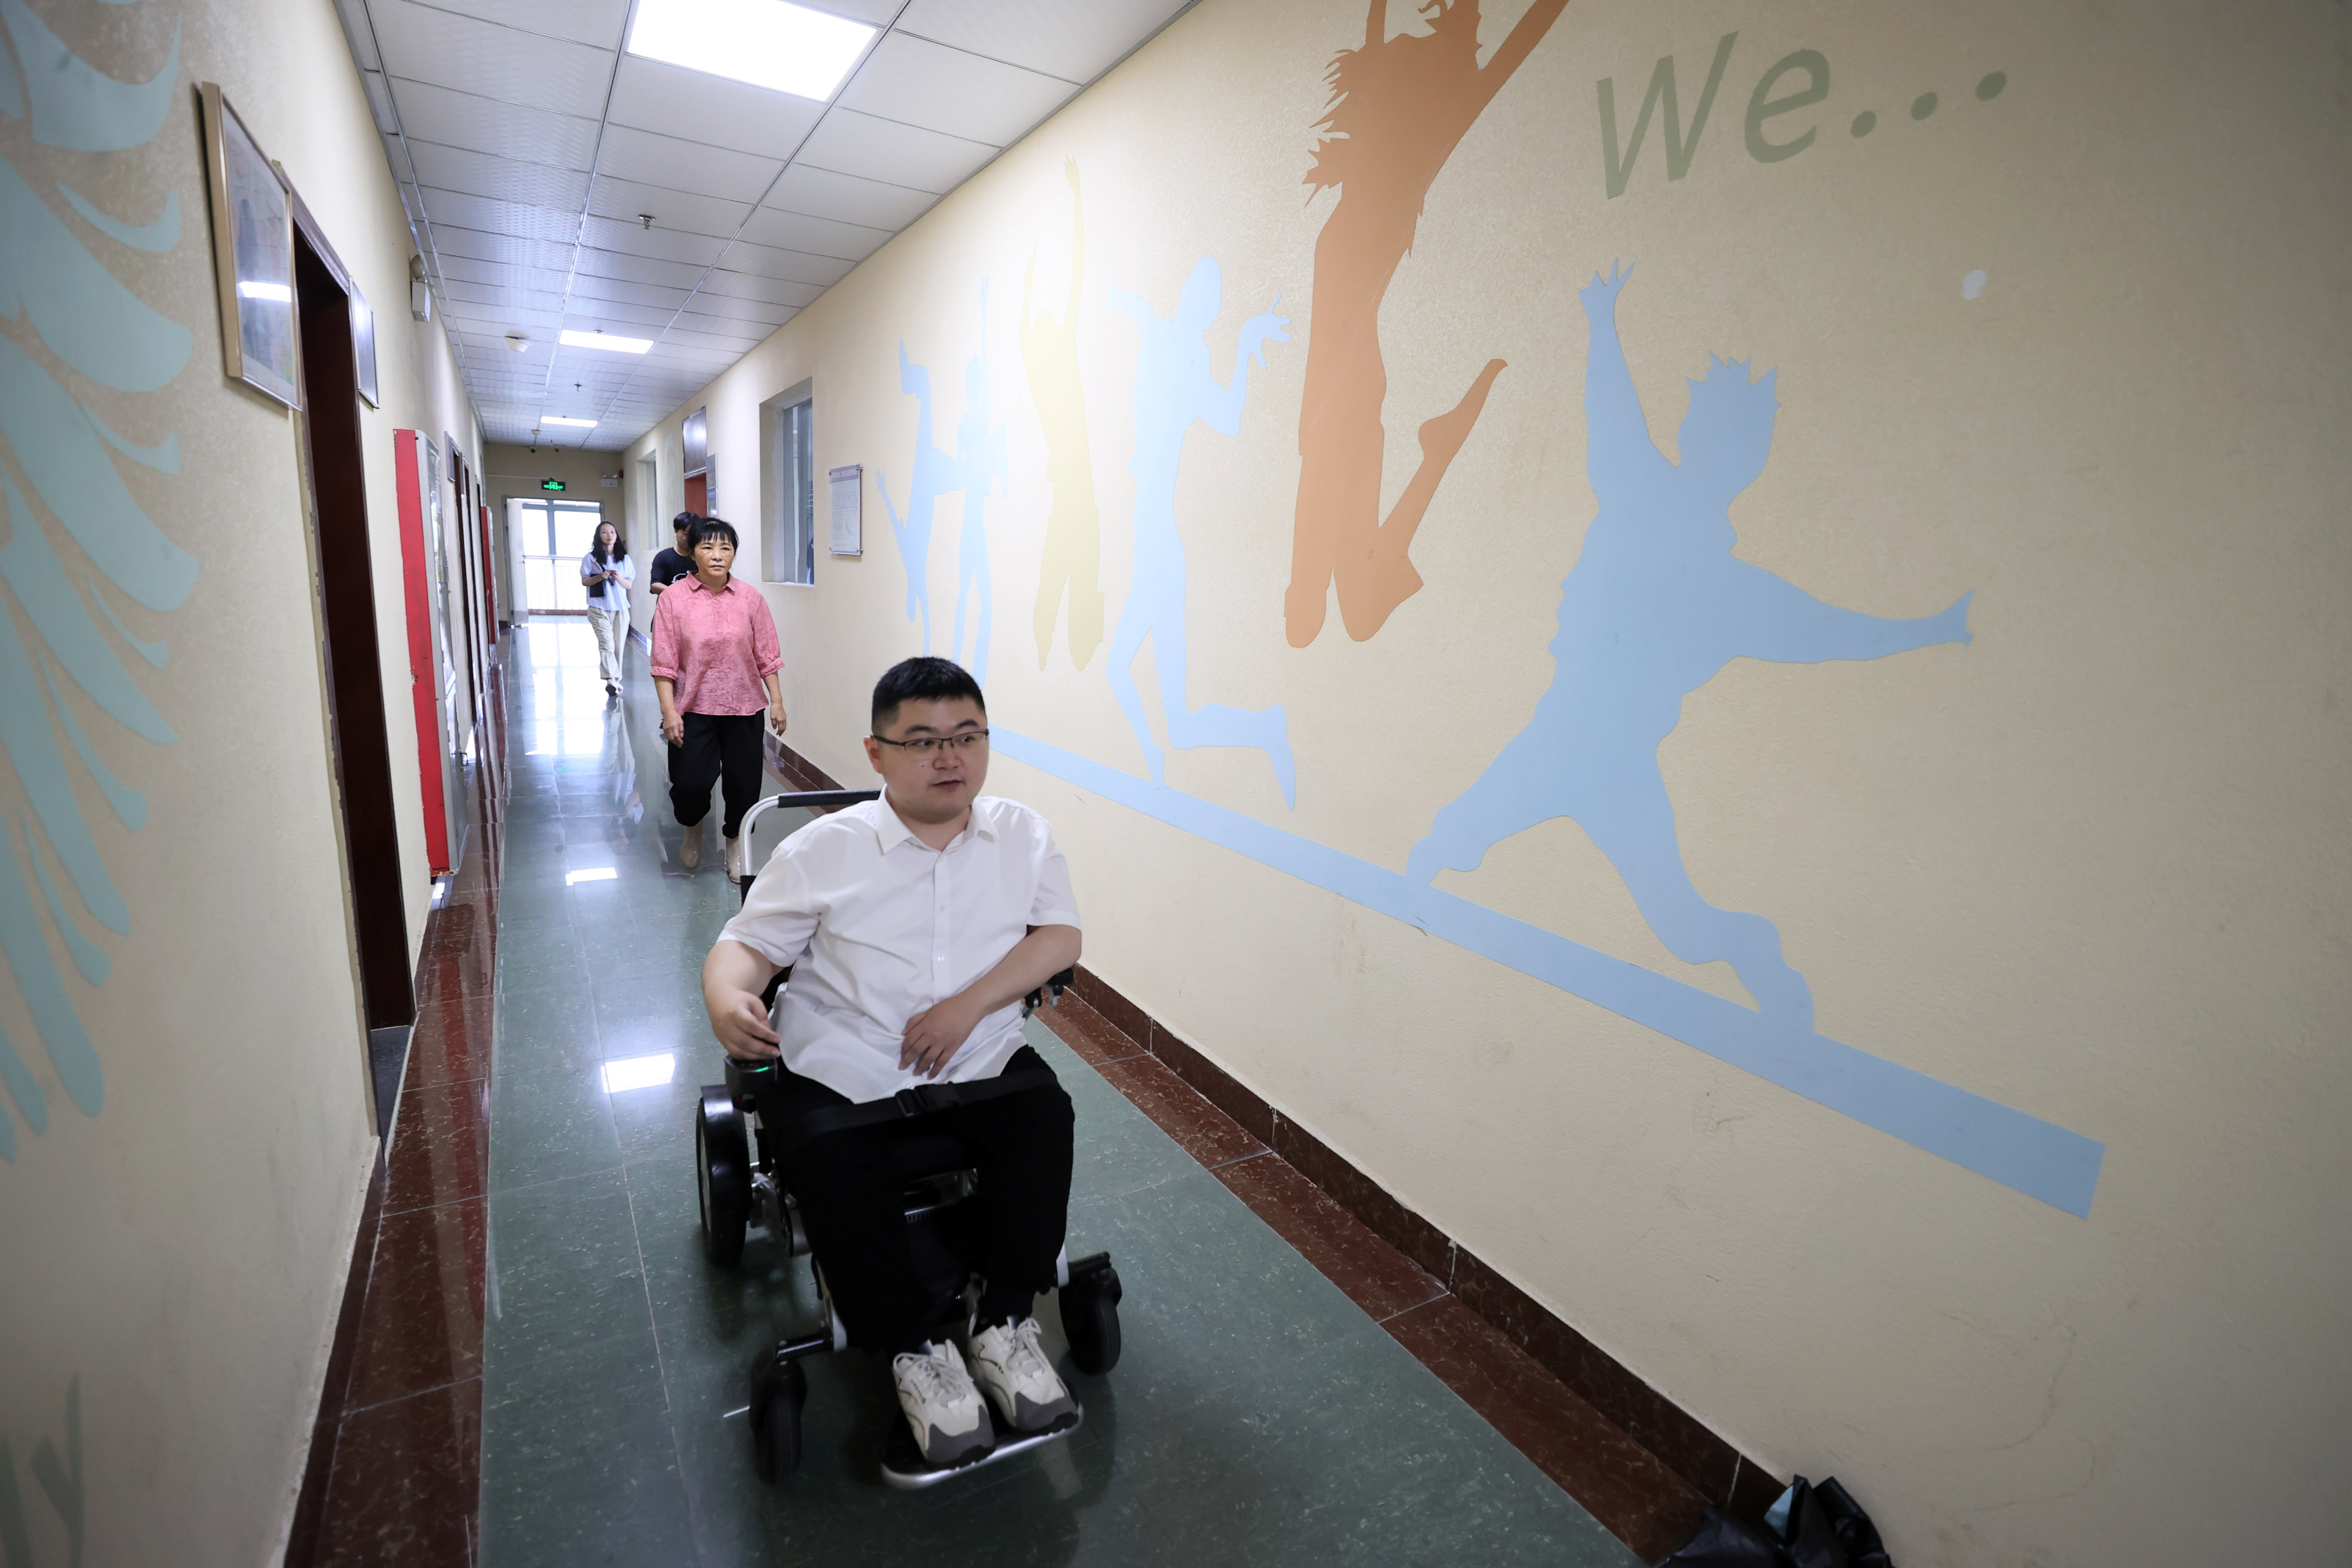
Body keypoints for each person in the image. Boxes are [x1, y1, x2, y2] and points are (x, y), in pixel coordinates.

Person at [701, 656, 1083, 1470]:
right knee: (834, 1158)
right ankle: (913, 1346)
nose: (950, 757)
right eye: (922, 741)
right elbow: (745, 947)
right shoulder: (822, 849)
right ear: (876, 753)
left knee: (1043, 1117)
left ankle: (1004, 1321)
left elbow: (1059, 937)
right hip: (845, 1062)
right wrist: (727, 996)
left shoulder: (1022, 835)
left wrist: (968, 1006)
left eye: (967, 737)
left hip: (977, 1051)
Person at [649, 518, 786, 876]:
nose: (717, 555)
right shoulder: (673, 599)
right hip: (693, 708)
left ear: (734, 554)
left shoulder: (750, 598)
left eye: (725, 548)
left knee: (744, 785)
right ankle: (693, 830)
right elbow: (663, 662)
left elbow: (767, 654)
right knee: (690, 784)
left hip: (745, 707)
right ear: (692, 553)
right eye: (708, 547)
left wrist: (777, 701)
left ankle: (735, 843)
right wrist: (669, 712)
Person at [578, 519, 632, 696]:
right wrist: (600, 577)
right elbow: (585, 581)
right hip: (599, 608)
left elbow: (629, 585)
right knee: (607, 644)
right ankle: (612, 679)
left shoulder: (624, 559)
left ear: (616, 536)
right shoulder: (591, 558)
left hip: (621, 608)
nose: (609, 535)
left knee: (618, 646)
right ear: (599, 536)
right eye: (604, 532)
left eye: (612, 532)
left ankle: (614, 680)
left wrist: (618, 578)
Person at [649, 512, 696, 594]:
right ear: (676, 532)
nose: (690, 539)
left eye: (693, 534)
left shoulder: (701, 557)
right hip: (670, 601)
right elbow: (655, 586)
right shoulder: (663, 557)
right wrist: (679, 594)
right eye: (686, 534)